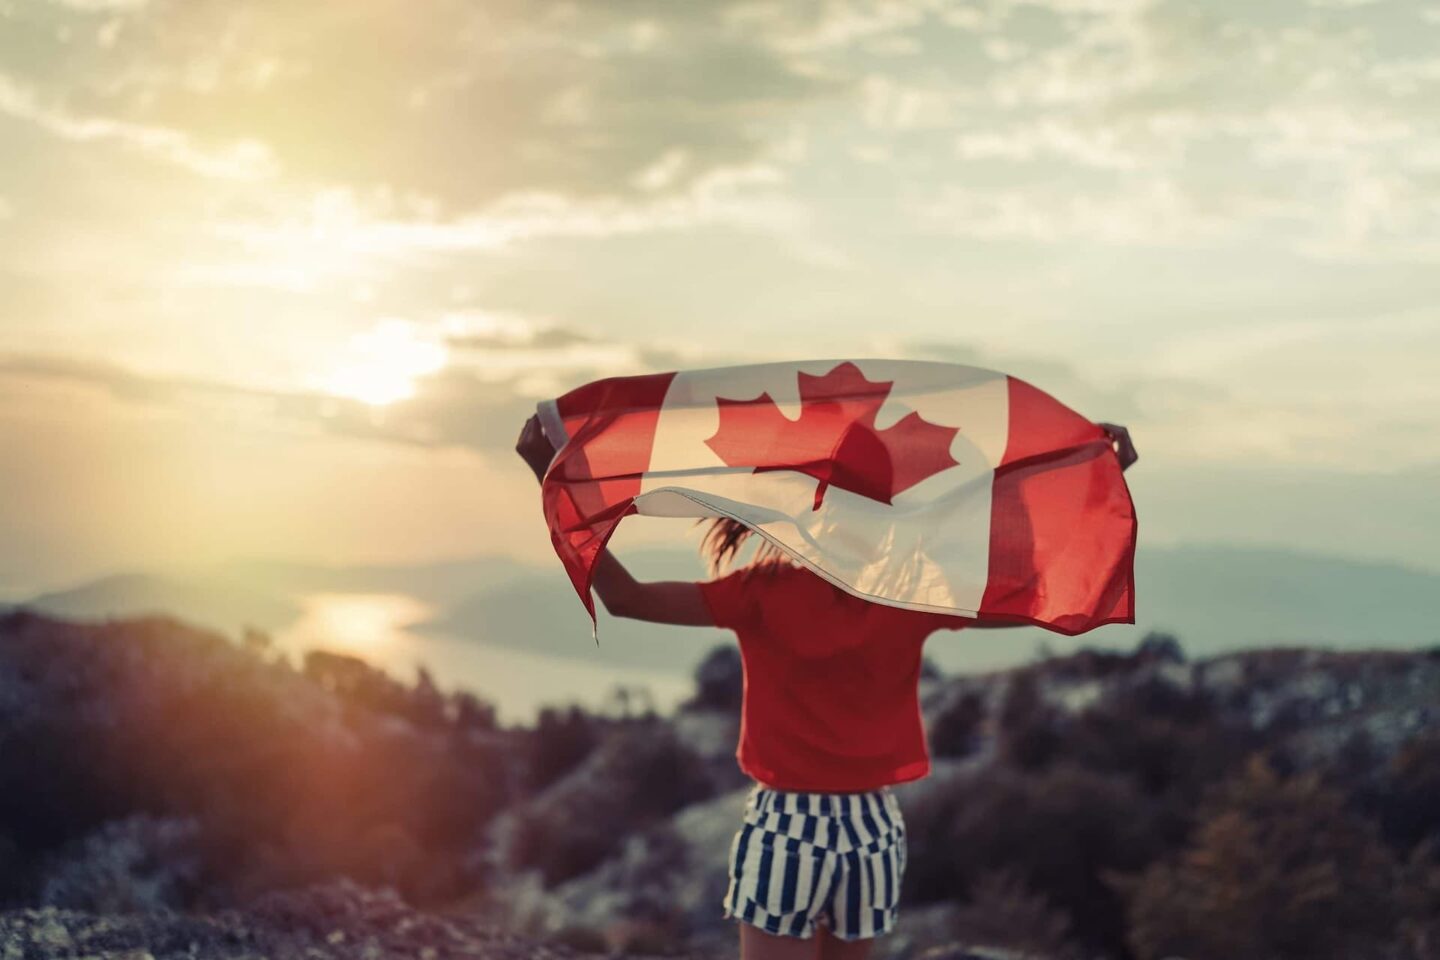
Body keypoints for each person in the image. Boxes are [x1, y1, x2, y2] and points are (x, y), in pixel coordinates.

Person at [515, 413, 1137, 960]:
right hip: (873, 830)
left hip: (788, 825)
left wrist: (554, 480)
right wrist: (1099, 477)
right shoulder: (910, 593)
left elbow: (625, 599)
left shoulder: (761, 593)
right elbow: (1025, 592)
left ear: (814, 503)